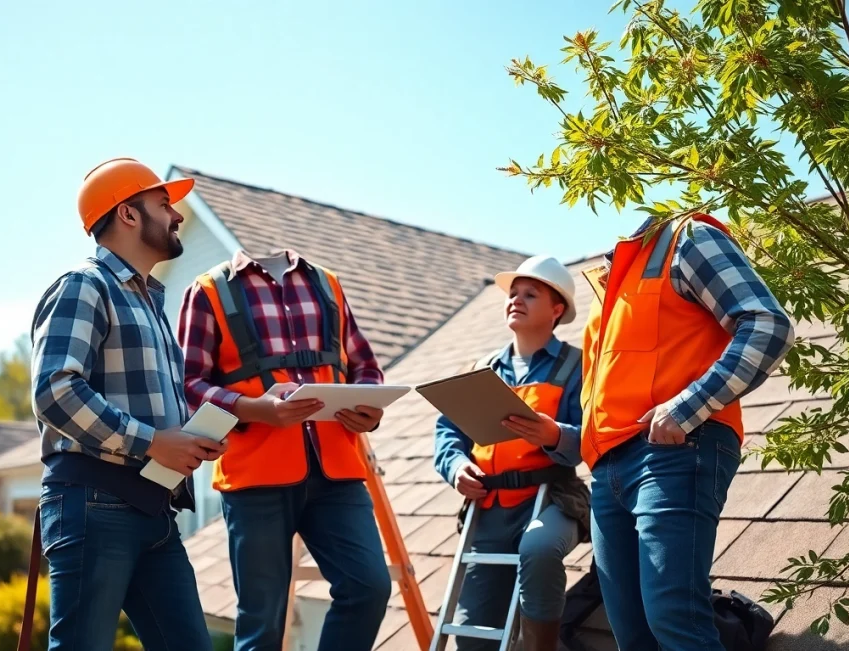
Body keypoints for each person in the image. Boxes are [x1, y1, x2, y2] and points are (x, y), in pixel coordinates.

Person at [29, 157, 227, 651]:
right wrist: (154, 442)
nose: (177, 215)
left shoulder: (150, 304)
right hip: (94, 505)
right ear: (128, 214)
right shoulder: (84, 285)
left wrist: (193, 438)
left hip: (154, 511)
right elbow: (54, 389)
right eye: (164, 204)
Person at [581, 212, 794, 650]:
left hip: (674, 451)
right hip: (609, 473)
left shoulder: (686, 239)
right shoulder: (608, 290)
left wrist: (685, 408)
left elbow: (768, 325)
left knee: (676, 622)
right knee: (633, 634)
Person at [177, 248, 392, 651]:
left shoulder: (326, 282)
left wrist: (369, 406)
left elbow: (364, 366)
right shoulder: (208, 290)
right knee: (262, 623)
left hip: (337, 472)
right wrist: (252, 409)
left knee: (369, 587)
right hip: (254, 477)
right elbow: (187, 383)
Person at [433, 255, 589, 651]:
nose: (516, 299)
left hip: (554, 500)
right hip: (489, 509)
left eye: (530, 294)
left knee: (538, 549)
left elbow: (593, 439)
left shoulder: (578, 367)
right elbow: (448, 431)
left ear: (557, 310)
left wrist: (555, 434)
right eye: (513, 293)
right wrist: (457, 467)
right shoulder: (481, 369)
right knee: (472, 637)